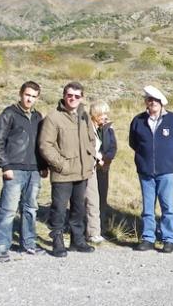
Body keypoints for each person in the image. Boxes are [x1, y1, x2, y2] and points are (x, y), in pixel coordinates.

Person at [0, 81, 49, 261]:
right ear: (21, 94)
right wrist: (5, 165)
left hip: (34, 170)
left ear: (37, 98)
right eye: (27, 95)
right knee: (8, 210)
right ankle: (0, 248)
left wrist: (43, 165)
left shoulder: (38, 117)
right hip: (14, 169)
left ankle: (28, 244)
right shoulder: (9, 114)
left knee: (30, 209)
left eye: (33, 96)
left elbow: (41, 144)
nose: (30, 99)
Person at [39, 81, 97, 257]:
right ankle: (57, 241)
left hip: (82, 172)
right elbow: (45, 145)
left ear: (82, 98)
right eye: (69, 95)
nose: (73, 98)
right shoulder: (53, 117)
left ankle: (77, 240)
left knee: (78, 208)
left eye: (77, 96)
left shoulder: (84, 116)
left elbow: (91, 140)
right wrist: (60, 165)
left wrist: (90, 158)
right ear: (64, 96)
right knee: (59, 208)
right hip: (62, 173)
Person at [128, 85, 173, 253]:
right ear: (146, 101)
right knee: (148, 208)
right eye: (149, 99)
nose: (152, 102)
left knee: (168, 208)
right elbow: (133, 143)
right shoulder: (138, 120)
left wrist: (167, 157)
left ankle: (168, 239)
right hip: (145, 172)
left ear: (161, 102)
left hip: (166, 172)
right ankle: (148, 238)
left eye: (155, 100)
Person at [84, 101, 117, 244]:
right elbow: (87, 146)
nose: (106, 116)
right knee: (90, 199)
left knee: (101, 199)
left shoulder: (108, 128)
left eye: (106, 114)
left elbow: (113, 147)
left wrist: (105, 159)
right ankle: (89, 231)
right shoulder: (86, 128)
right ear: (96, 114)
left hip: (103, 168)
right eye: (103, 114)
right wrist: (98, 158)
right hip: (89, 168)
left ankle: (99, 229)